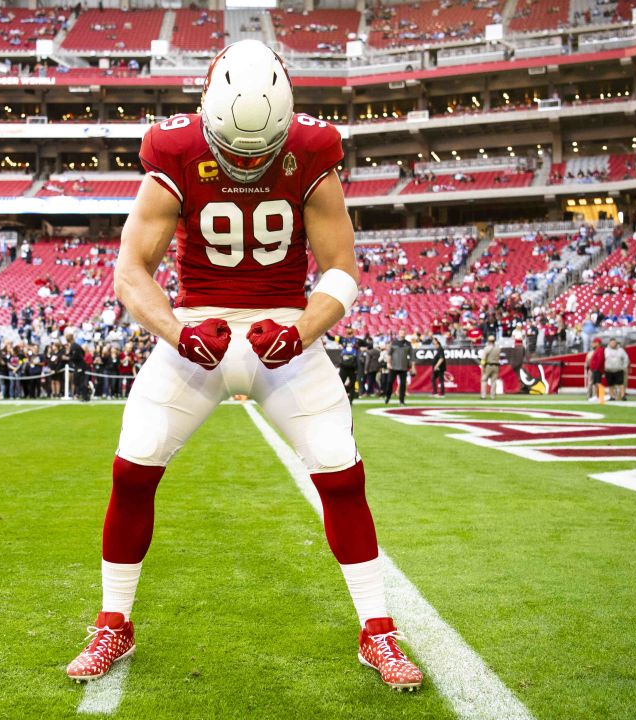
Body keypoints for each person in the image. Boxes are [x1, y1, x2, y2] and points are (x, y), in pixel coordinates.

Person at [64, 40, 423, 692]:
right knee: (134, 461)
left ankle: (378, 631)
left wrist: (305, 329)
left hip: (284, 327)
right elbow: (129, 272)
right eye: (237, 151)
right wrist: (175, 330)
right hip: (197, 327)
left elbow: (341, 267)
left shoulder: (313, 149)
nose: (251, 162)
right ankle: (114, 621)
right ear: (207, 115)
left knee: (339, 466)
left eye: (263, 152)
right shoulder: (173, 149)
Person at [382, 330, 412, 405]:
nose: (402, 334)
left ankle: (401, 400)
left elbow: (411, 356)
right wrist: (388, 363)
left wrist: (412, 366)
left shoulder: (408, 344)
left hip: (403, 367)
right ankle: (387, 397)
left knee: (403, 384)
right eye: (401, 332)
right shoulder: (394, 342)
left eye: (404, 333)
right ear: (399, 333)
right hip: (393, 366)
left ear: (405, 334)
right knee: (390, 382)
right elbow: (389, 354)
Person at [603, 338, 629, 402]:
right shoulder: (606, 350)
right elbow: (602, 359)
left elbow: (626, 358)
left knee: (620, 383)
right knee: (610, 384)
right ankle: (612, 396)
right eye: (611, 343)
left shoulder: (621, 350)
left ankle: (623, 396)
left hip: (618, 369)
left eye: (614, 343)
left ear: (616, 343)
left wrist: (624, 366)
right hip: (609, 369)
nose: (613, 344)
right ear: (609, 343)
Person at [479, 335, 501, 399]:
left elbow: (483, 359)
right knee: (493, 381)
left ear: (488, 341)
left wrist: (482, 367)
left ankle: (483, 395)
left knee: (484, 380)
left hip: (488, 365)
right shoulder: (498, 348)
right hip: (496, 366)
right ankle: (493, 396)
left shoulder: (487, 348)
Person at [587, 337, 606, 404]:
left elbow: (600, 360)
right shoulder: (598, 350)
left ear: (598, 343)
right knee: (596, 383)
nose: (593, 344)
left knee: (598, 383)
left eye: (594, 343)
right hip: (596, 369)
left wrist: (596, 367)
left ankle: (601, 396)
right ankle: (598, 396)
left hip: (597, 369)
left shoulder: (600, 350)